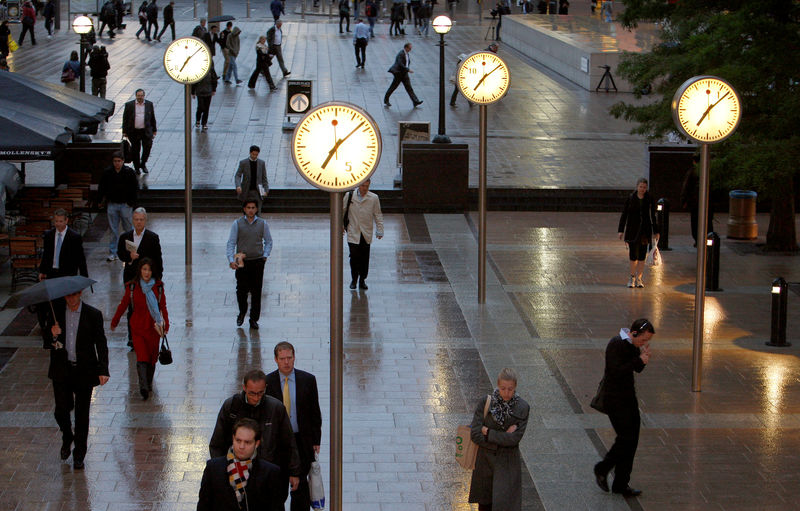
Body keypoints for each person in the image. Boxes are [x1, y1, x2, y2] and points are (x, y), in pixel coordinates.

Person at [209, 370, 302, 505]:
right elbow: (217, 442)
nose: (256, 397)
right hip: (236, 473)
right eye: (252, 393)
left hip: (266, 475)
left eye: (260, 393)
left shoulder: (276, 408)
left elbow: (288, 442)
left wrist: (294, 472)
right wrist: (221, 471)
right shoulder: (231, 407)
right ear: (244, 388)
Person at [42, 289, 109, 470]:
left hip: (84, 371)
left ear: (80, 294)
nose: (71, 298)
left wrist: (103, 369)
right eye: (67, 295)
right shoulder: (56, 313)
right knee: (60, 410)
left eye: (74, 295)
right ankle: (67, 435)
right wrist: (53, 334)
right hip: (61, 370)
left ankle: (79, 454)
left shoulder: (93, 314)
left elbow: (101, 343)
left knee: (82, 414)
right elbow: (46, 341)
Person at [593, 318, 654, 497]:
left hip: (628, 400)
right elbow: (616, 371)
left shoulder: (632, 345)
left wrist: (644, 360)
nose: (643, 344)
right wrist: (638, 361)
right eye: (643, 340)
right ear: (634, 333)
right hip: (615, 400)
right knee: (625, 438)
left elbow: (635, 369)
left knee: (632, 440)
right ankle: (602, 468)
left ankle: (621, 483)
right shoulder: (616, 344)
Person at [266, 342, 322, 511]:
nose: (286, 362)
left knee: (301, 487)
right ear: (276, 359)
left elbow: (314, 411)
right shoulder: (267, 382)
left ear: (294, 357)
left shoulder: (308, 380)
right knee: (278, 485)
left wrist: (315, 440)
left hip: (301, 441)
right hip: (278, 442)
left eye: (289, 358)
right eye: (282, 358)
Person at [468, 368, 530, 510]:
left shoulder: (523, 408)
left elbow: (514, 439)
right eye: (503, 388)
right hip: (485, 464)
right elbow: (475, 434)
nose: (506, 393)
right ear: (497, 385)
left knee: (505, 504)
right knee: (484, 505)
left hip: (507, 465)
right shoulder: (486, 402)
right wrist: (503, 438)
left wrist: (488, 432)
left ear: (515, 387)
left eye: (510, 389)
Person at [110, 258, 168, 400]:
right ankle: (143, 386)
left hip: (154, 328)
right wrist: (115, 320)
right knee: (141, 356)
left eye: (149, 270)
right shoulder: (132, 287)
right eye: (144, 269)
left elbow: (163, 307)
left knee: (152, 357)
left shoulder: (158, 287)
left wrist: (166, 324)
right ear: (140, 270)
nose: (146, 273)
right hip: (138, 328)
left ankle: (148, 383)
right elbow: (123, 304)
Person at [198, 418, 284, 511]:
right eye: (238, 440)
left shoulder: (270, 472)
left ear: (257, 443)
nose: (241, 446)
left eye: (247, 442)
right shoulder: (213, 468)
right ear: (233, 438)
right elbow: (203, 505)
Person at [226, 200, 272, 329]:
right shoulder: (237, 224)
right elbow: (231, 242)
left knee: (256, 291)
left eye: (253, 207)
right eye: (248, 208)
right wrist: (230, 259)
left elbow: (268, 241)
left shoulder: (263, 224)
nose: (251, 210)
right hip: (242, 261)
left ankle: (254, 319)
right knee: (241, 290)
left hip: (257, 260)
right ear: (244, 209)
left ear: (256, 209)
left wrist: (265, 255)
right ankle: (242, 311)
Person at [617, 177, 659, 288]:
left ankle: (639, 278)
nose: (642, 189)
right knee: (633, 255)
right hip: (632, 230)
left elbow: (652, 216)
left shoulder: (649, 199)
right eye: (640, 187)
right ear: (637, 187)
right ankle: (632, 277)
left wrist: (656, 230)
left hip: (645, 231)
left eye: (644, 187)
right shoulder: (631, 198)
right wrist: (621, 230)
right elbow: (624, 214)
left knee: (642, 256)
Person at [343, 179, 383, 290]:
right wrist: (340, 225)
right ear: (358, 185)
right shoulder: (349, 196)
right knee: (354, 257)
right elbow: (342, 211)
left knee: (364, 258)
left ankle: (362, 279)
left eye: (367, 186)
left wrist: (380, 230)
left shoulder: (373, 198)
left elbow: (378, 215)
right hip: (353, 231)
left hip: (366, 232)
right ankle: (354, 279)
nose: (364, 188)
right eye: (362, 186)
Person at [99, 152, 138, 262]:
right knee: (113, 229)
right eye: (115, 161)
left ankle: (131, 251)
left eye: (119, 161)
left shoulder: (129, 172)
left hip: (125, 204)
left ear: (123, 161)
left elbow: (134, 188)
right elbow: (102, 187)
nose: (117, 163)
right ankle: (113, 252)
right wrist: (101, 200)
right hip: (112, 203)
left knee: (128, 229)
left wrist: (132, 203)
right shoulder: (108, 173)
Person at [117, 207, 163, 286]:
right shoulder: (125, 237)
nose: (139, 222)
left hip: (147, 277)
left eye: (141, 219)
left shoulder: (153, 237)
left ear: (145, 221)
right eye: (136, 219)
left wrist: (158, 278)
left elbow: (157, 259)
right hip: (130, 277)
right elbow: (120, 253)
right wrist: (129, 256)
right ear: (132, 220)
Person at [39, 209, 88, 281]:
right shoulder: (49, 235)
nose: (58, 224)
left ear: (66, 221)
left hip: (68, 274)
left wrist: (84, 278)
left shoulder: (74, 237)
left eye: (61, 221)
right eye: (56, 221)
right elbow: (46, 254)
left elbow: (80, 258)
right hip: (51, 273)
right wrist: (42, 271)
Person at [680, 155, 714, 247]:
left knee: (695, 222)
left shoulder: (692, 172)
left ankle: (698, 240)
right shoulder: (708, 172)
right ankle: (709, 239)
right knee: (708, 221)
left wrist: (683, 201)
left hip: (695, 202)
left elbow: (686, 187)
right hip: (708, 202)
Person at [122, 88, 158, 174]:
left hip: (145, 131)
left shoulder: (149, 104)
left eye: (141, 96)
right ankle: (137, 167)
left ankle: (143, 163)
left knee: (147, 147)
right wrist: (124, 131)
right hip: (134, 131)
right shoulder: (129, 105)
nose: (140, 97)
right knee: (135, 150)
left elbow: (152, 117)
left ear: (144, 96)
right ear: (136, 96)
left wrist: (154, 129)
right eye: (138, 96)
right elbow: (125, 118)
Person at [451, 43, 498, 107]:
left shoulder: (461, 64)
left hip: (461, 79)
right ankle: (459, 102)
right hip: (462, 79)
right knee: (464, 91)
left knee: (460, 90)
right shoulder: (487, 52)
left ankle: (455, 102)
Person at [384, 42, 423, 108]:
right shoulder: (401, 54)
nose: (410, 49)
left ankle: (415, 101)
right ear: (406, 47)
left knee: (409, 88)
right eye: (409, 48)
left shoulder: (406, 54)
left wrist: (406, 70)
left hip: (404, 73)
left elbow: (406, 62)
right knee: (393, 87)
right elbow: (400, 64)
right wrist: (408, 69)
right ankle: (386, 99)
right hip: (399, 73)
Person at [235, 145, 270, 212]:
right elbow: (238, 175)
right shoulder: (243, 163)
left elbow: (264, 178)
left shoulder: (261, 163)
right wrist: (238, 186)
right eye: (253, 154)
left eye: (256, 155)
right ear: (250, 153)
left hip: (258, 192)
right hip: (246, 191)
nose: (254, 156)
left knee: (258, 211)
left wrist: (266, 190)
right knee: (247, 211)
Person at [192, 61, 218, 131]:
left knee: (206, 108)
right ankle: (198, 120)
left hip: (208, 91)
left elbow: (214, 79)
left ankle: (204, 123)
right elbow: (194, 81)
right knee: (201, 107)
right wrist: (193, 92)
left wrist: (214, 89)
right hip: (199, 91)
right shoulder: (197, 69)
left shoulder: (211, 70)